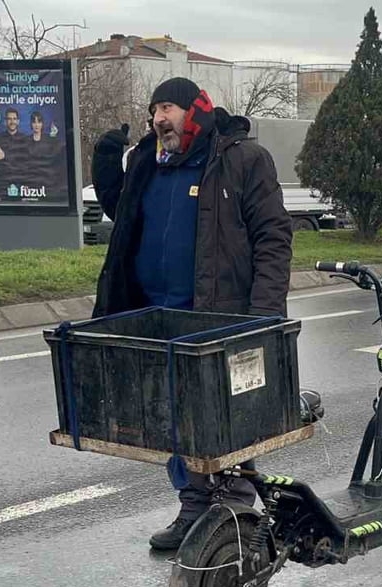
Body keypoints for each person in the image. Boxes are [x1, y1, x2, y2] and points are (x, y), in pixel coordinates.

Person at [91, 77, 293, 550]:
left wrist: (263, 315)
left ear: (196, 110)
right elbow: (125, 216)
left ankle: (234, 510)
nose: (159, 118)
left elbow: (273, 238)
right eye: (155, 109)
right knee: (174, 420)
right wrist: (106, 164)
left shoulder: (241, 159)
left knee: (226, 420)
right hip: (157, 317)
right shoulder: (149, 160)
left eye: (168, 107)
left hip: (218, 319)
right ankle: (194, 507)